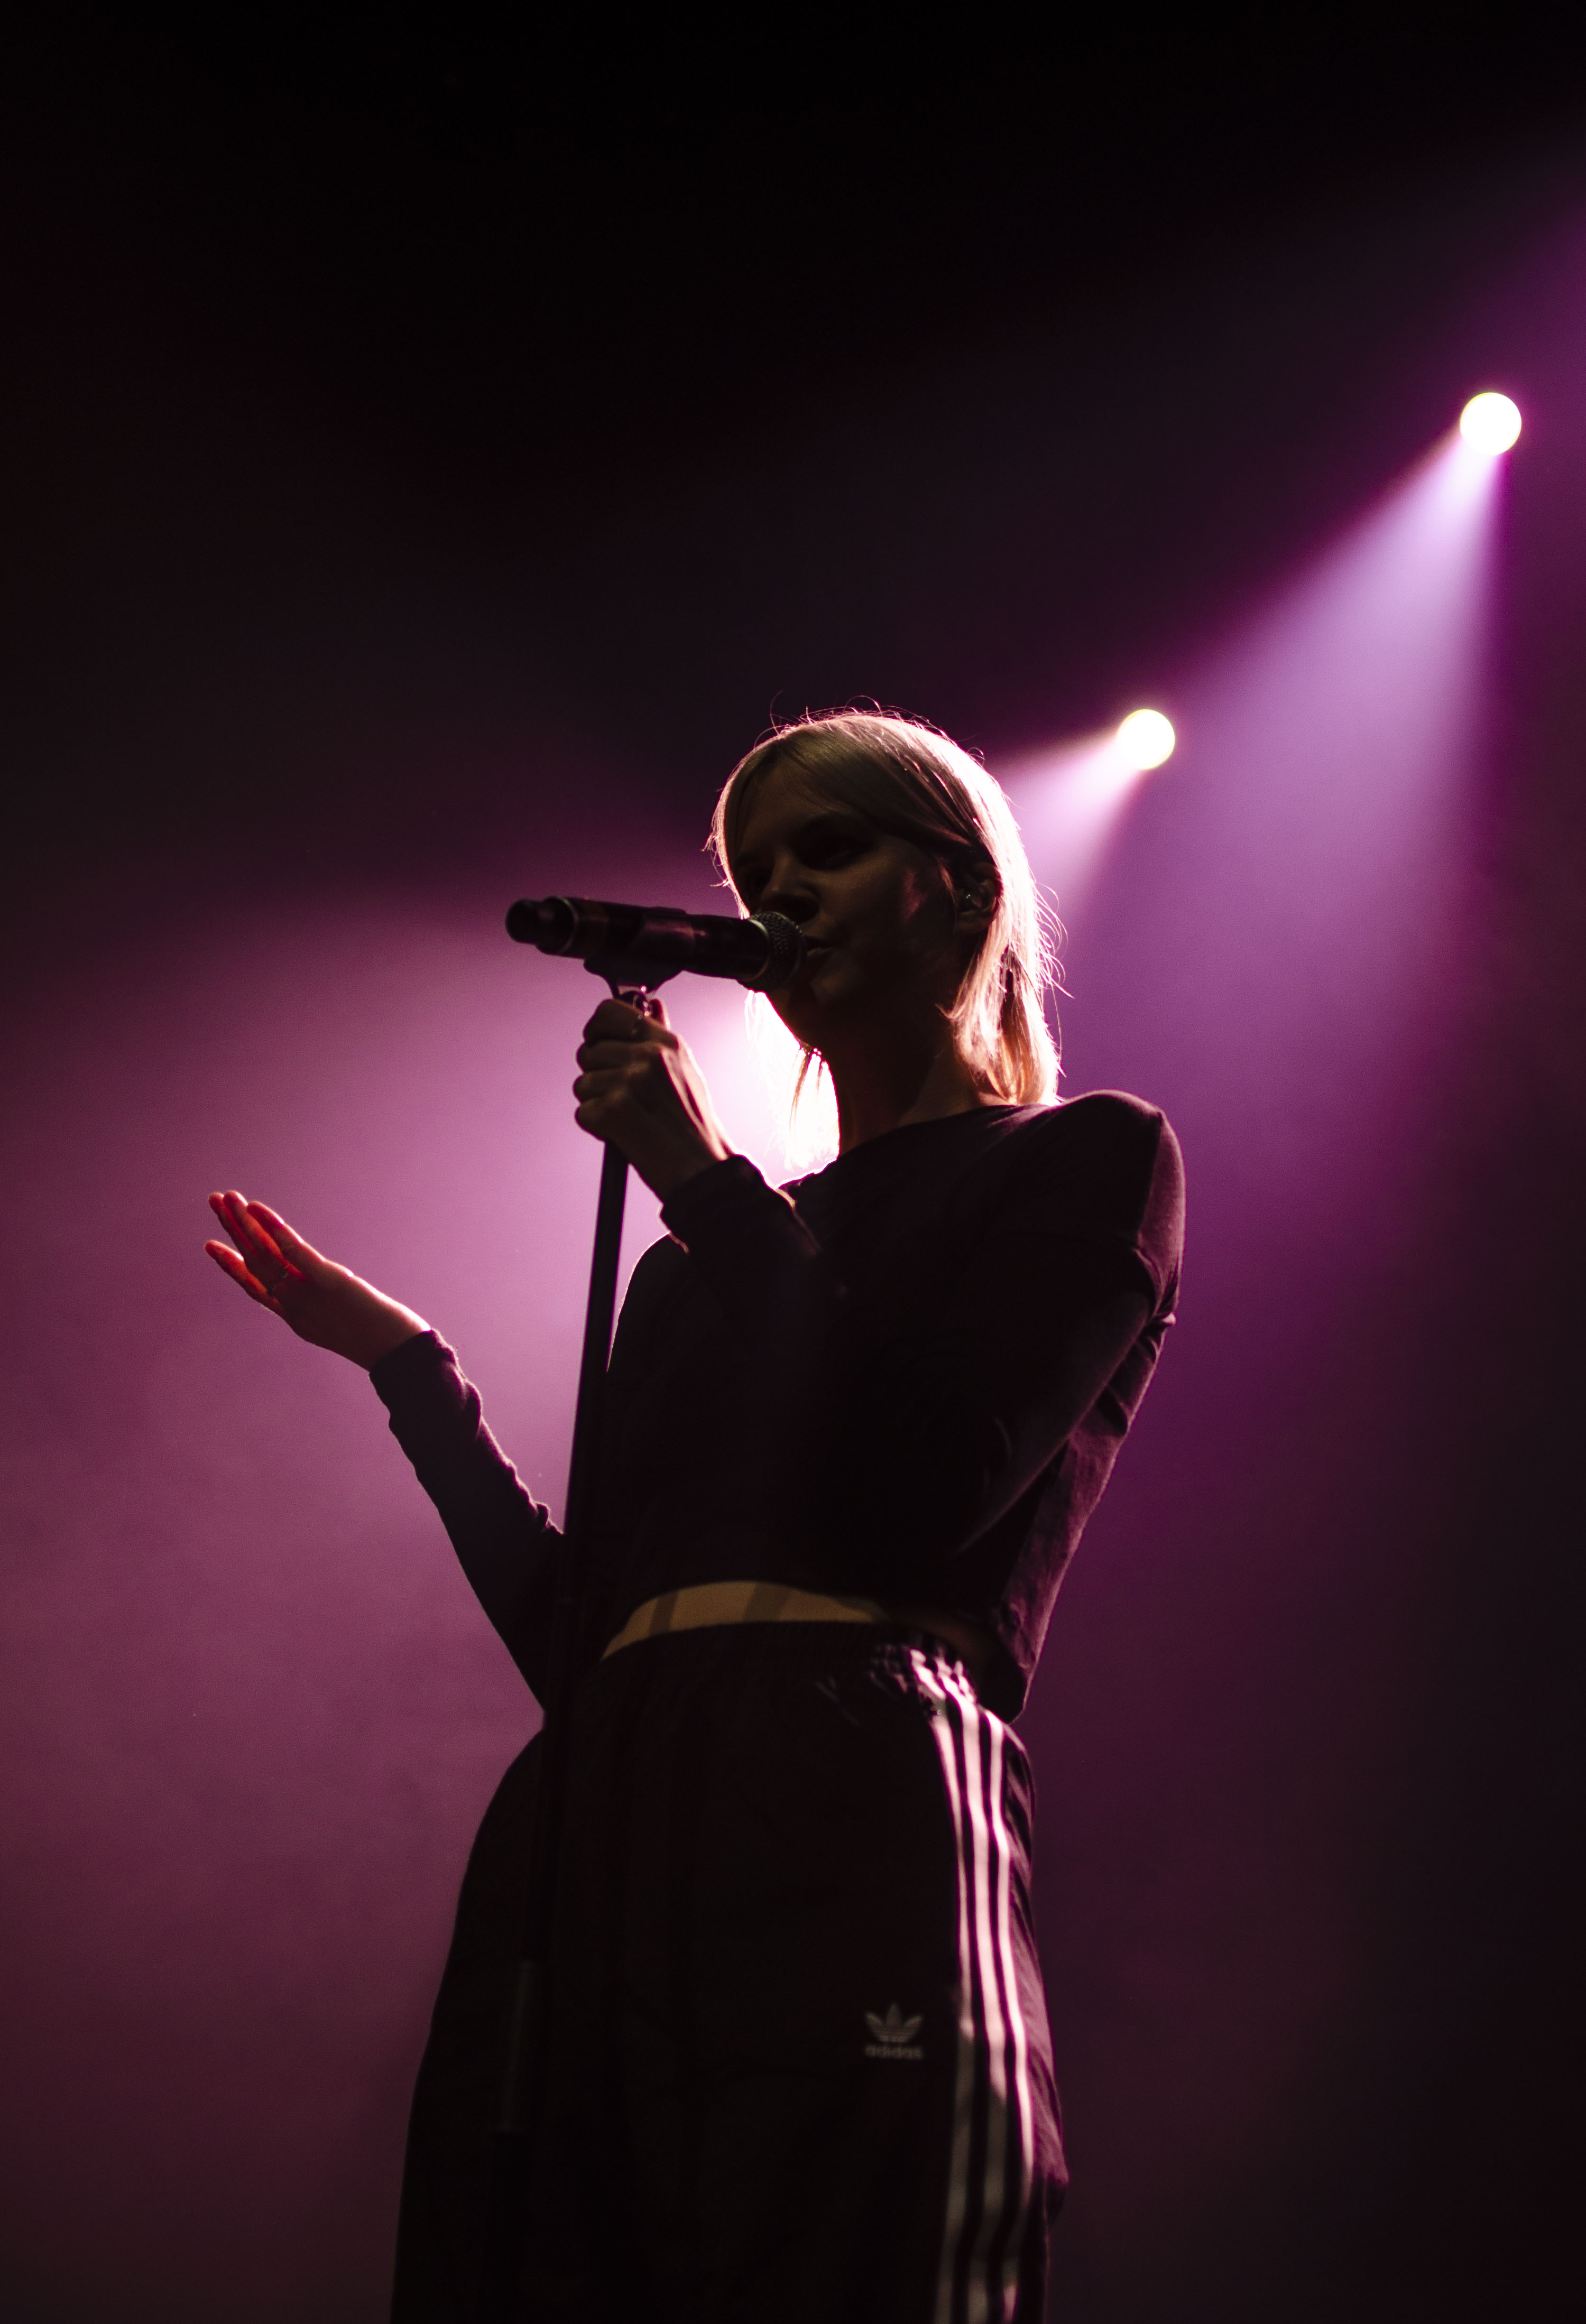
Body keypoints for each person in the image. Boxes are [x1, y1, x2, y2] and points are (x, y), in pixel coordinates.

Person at [205, 710, 1184, 2324]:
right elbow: (583, 1640)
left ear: (953, 885)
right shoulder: (696, 1259)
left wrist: (702, 1176)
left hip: (851, 1769)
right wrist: (413, 1375)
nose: (780, 893)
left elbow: (920, 1489)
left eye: (829, 849)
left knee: (841, 2254)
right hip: (602, 1801)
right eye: (756, 869)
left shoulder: (1086, 1160)